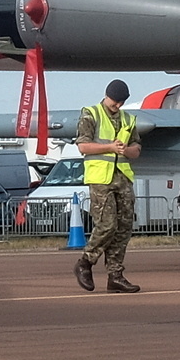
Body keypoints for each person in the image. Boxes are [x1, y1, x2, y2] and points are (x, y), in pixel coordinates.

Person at [72, 80, 143, 293]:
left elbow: (137, 148)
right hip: (101, 178)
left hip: (123, 177)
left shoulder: (128, 119)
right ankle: (85, 262)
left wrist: (126, 151)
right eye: (115, 101)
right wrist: (110, 147)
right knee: (107, 224)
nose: (117, 106)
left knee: (124, 228)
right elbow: (83, 146)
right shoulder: (90, 114)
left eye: (121, 102)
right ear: (107, 95)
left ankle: (116, 276)